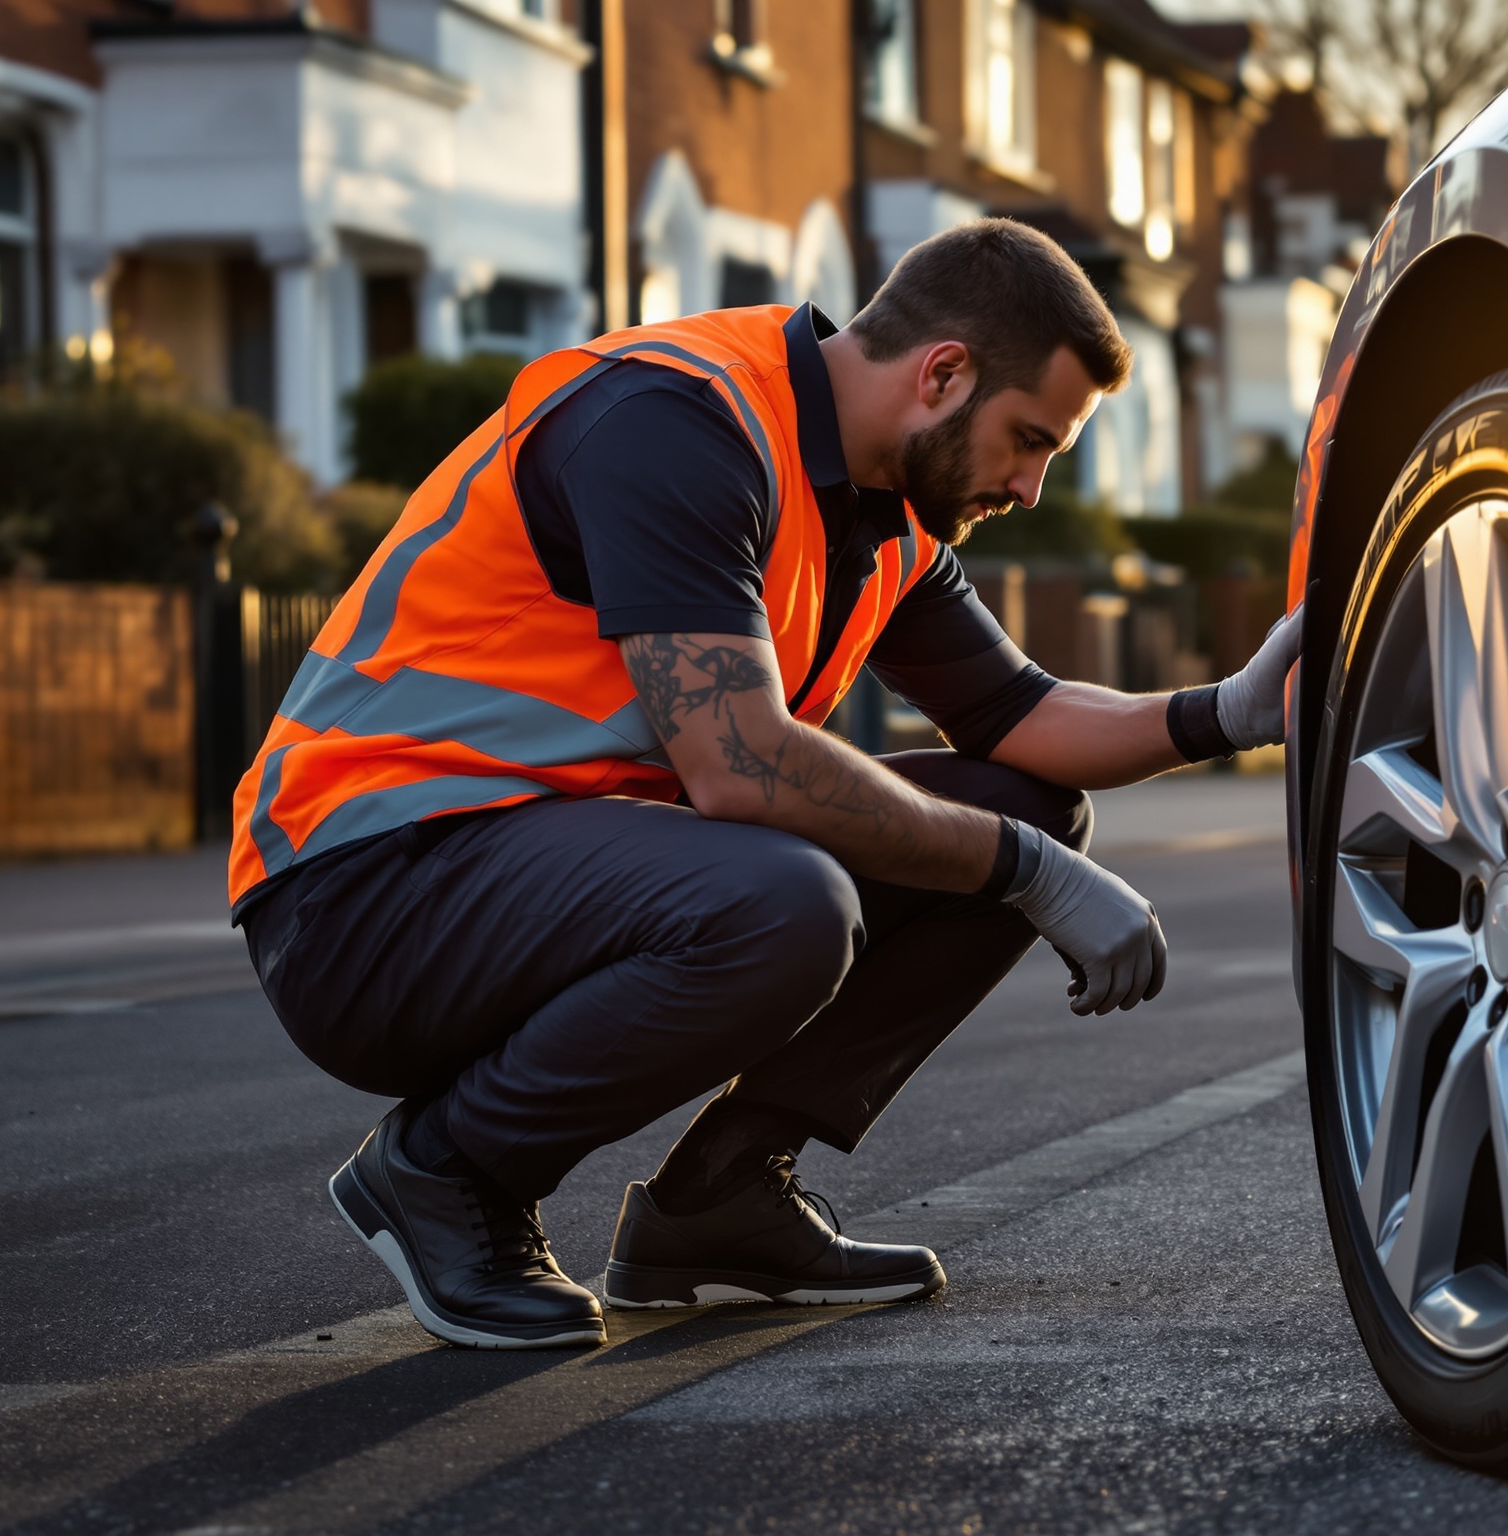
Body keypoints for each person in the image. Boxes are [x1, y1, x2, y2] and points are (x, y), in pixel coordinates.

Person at [227, 221, 1301, 1349]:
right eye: (1028, 439)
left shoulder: (885, 518)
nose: (1032, 488)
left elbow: (1020, 717)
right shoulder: (676, 421)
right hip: (362, 891)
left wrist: (1229, 713)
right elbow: (737, 764)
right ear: (943, 373)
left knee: (1023, 805)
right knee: (795, 900)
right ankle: (445, 1172)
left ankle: (721, 1200)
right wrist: (1030, 875)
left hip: (537, 870)